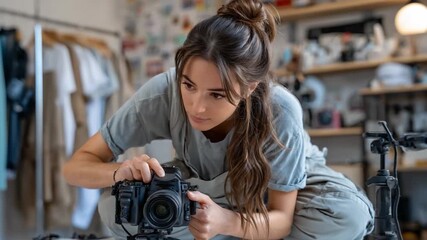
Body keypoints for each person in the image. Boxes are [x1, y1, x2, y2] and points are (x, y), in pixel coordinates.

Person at [63, 0, 374, 239]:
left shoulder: (281, 109)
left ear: (249, 87)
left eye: (216, 94)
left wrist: (227, 221)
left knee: (346, 215)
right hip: (206, 190)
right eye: (189, 86)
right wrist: (120, 170)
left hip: (279, 192)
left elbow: (282, 217)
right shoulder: (161, 92)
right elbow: (75, 168)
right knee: (112, 207)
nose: (197, 106)